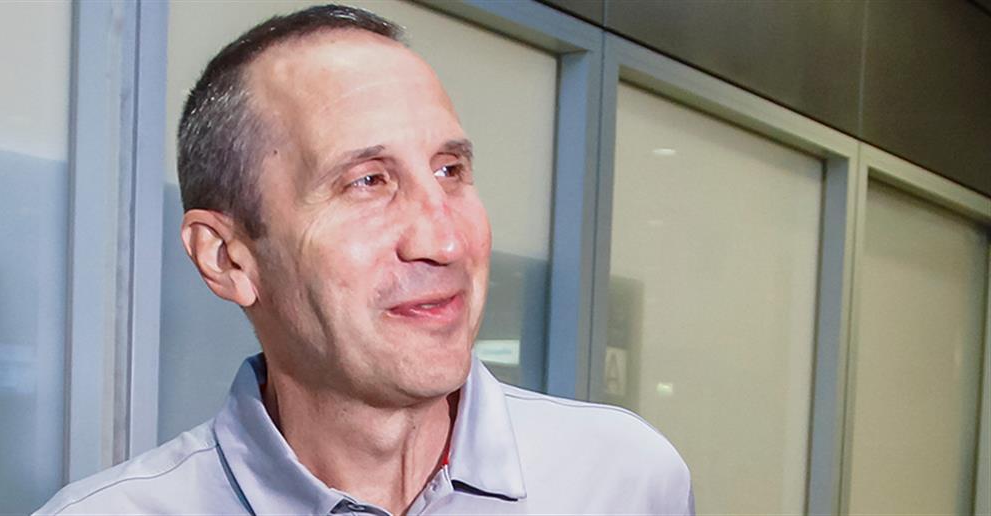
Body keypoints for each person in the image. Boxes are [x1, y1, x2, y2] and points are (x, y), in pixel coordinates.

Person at [36, 4, 693, 515]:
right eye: (368, 181)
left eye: (450, 169)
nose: (444, 242)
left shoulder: (626, 481)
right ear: (228, 258)